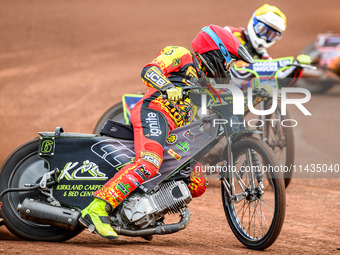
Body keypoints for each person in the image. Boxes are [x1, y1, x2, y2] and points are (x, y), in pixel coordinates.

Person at [79, 24, 254, 240]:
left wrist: (256, 96)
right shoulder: (182, 55)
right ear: (217, 52)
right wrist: (166, 86)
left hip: (173, 129)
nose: (229, 67)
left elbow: (225, 101)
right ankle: (97, 208)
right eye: (229, 60)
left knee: (196, 182)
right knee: (149, 162)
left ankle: (145, 214)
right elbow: (150, 70)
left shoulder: (206, 81)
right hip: (153, 112)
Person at [225, 4, 310, 86]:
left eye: (272, 35)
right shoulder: (231, 33)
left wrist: (297, 68)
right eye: (263, 30)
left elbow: (280, 80)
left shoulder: (264, 59)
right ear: (254, 24)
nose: (265, 38)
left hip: (232, 95)